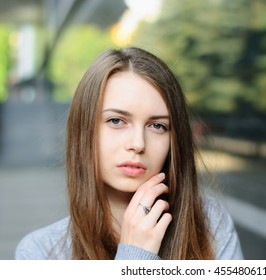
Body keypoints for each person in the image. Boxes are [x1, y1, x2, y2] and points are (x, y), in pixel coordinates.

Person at [15, 47, 243, 260]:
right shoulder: (40, 253)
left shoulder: (209, 223)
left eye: (157, 126)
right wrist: (135, 256)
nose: (137, 144)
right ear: (84, 130)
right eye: (116, 121)